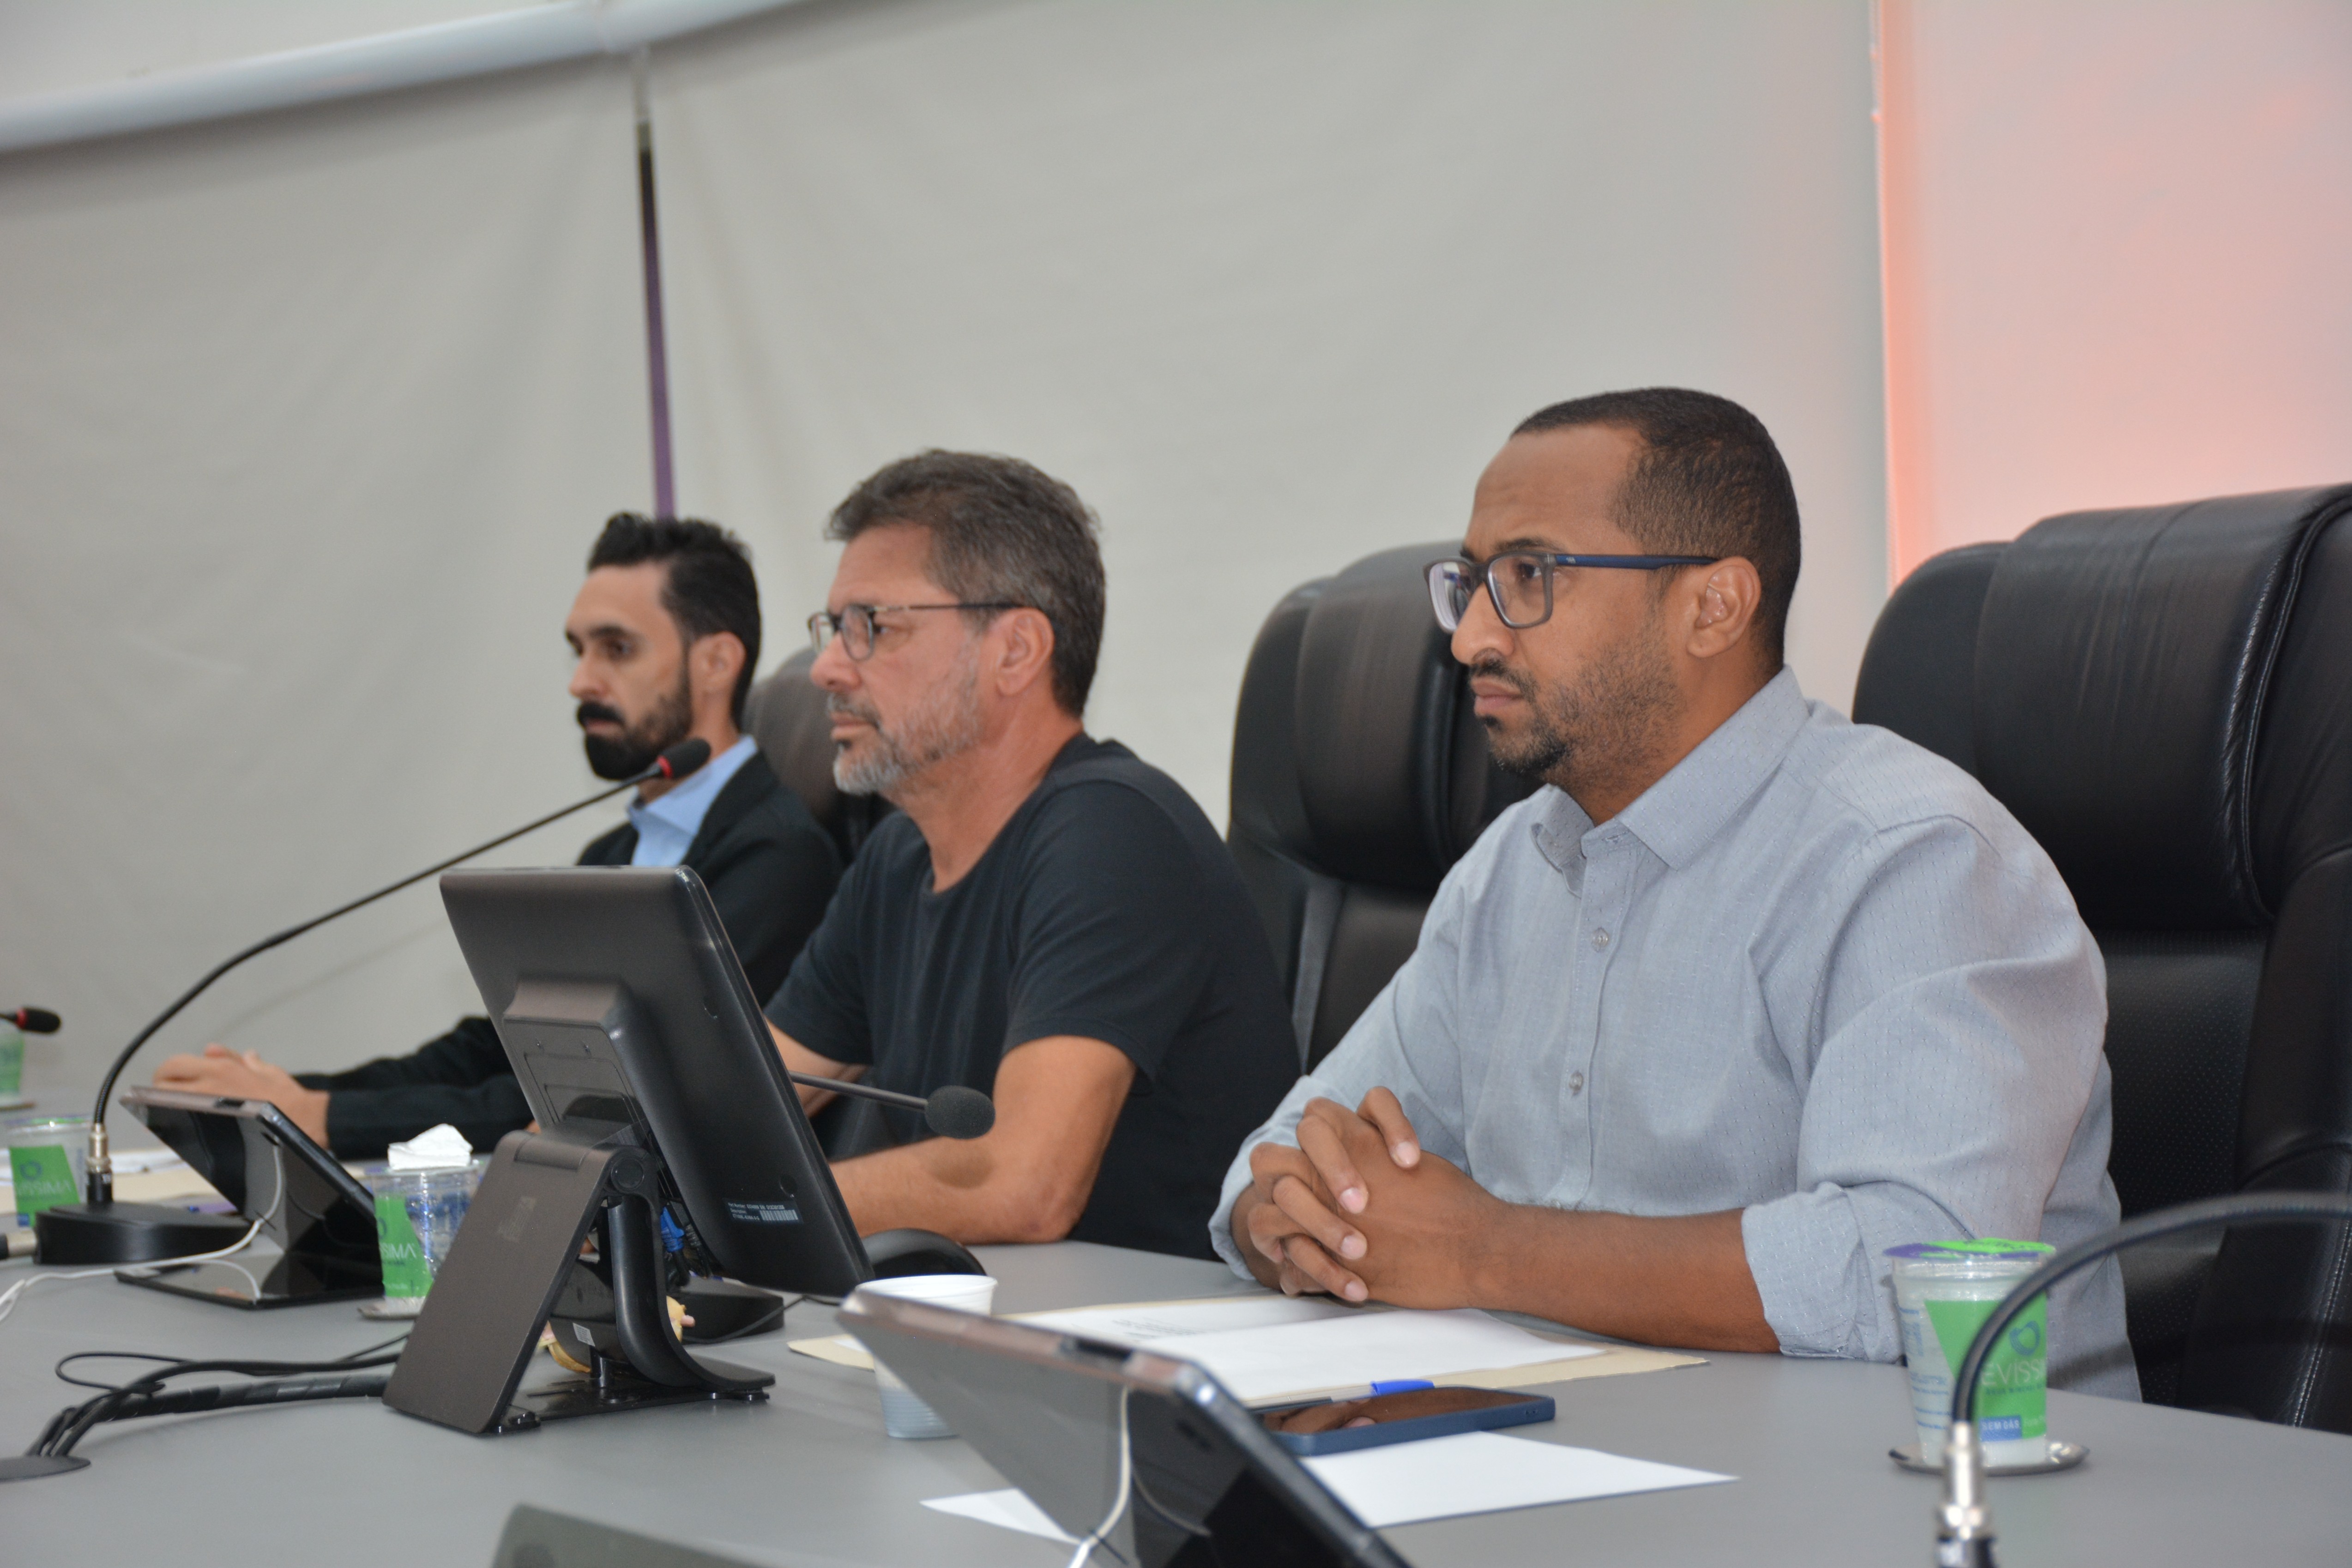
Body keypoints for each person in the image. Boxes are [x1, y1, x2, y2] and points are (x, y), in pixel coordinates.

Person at [1213, 388, 2137, 1396]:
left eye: (1528, 576)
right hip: (1568, 1448)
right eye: (1471, 582)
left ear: (1714, 607)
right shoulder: (1513, 867)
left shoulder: (1915, 861)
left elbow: (1905, 1270)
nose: (1470, 636)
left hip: (1896, 1476)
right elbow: (1279, 1154)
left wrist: (1482, 1252)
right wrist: (1295, 1219)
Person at [154, 514, 842, 1158]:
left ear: (716, 663)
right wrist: (294, 1095)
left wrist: (327, 1118)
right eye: (578, 651)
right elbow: (501, 1050)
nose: (581, 682)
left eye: (617, 649)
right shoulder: (610, 857)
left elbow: (606, 1100)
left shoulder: (779, 858)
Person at [765, 450, 1296, 1260]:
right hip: (976, 1312)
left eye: (873, 626)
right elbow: (743, 1103)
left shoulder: (1115, 834)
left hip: (1147, 1328)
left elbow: (1022, 1183)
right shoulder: (898, 856)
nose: (828, 668)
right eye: (833, 628)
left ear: (1015, 651)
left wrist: (747, 1203)